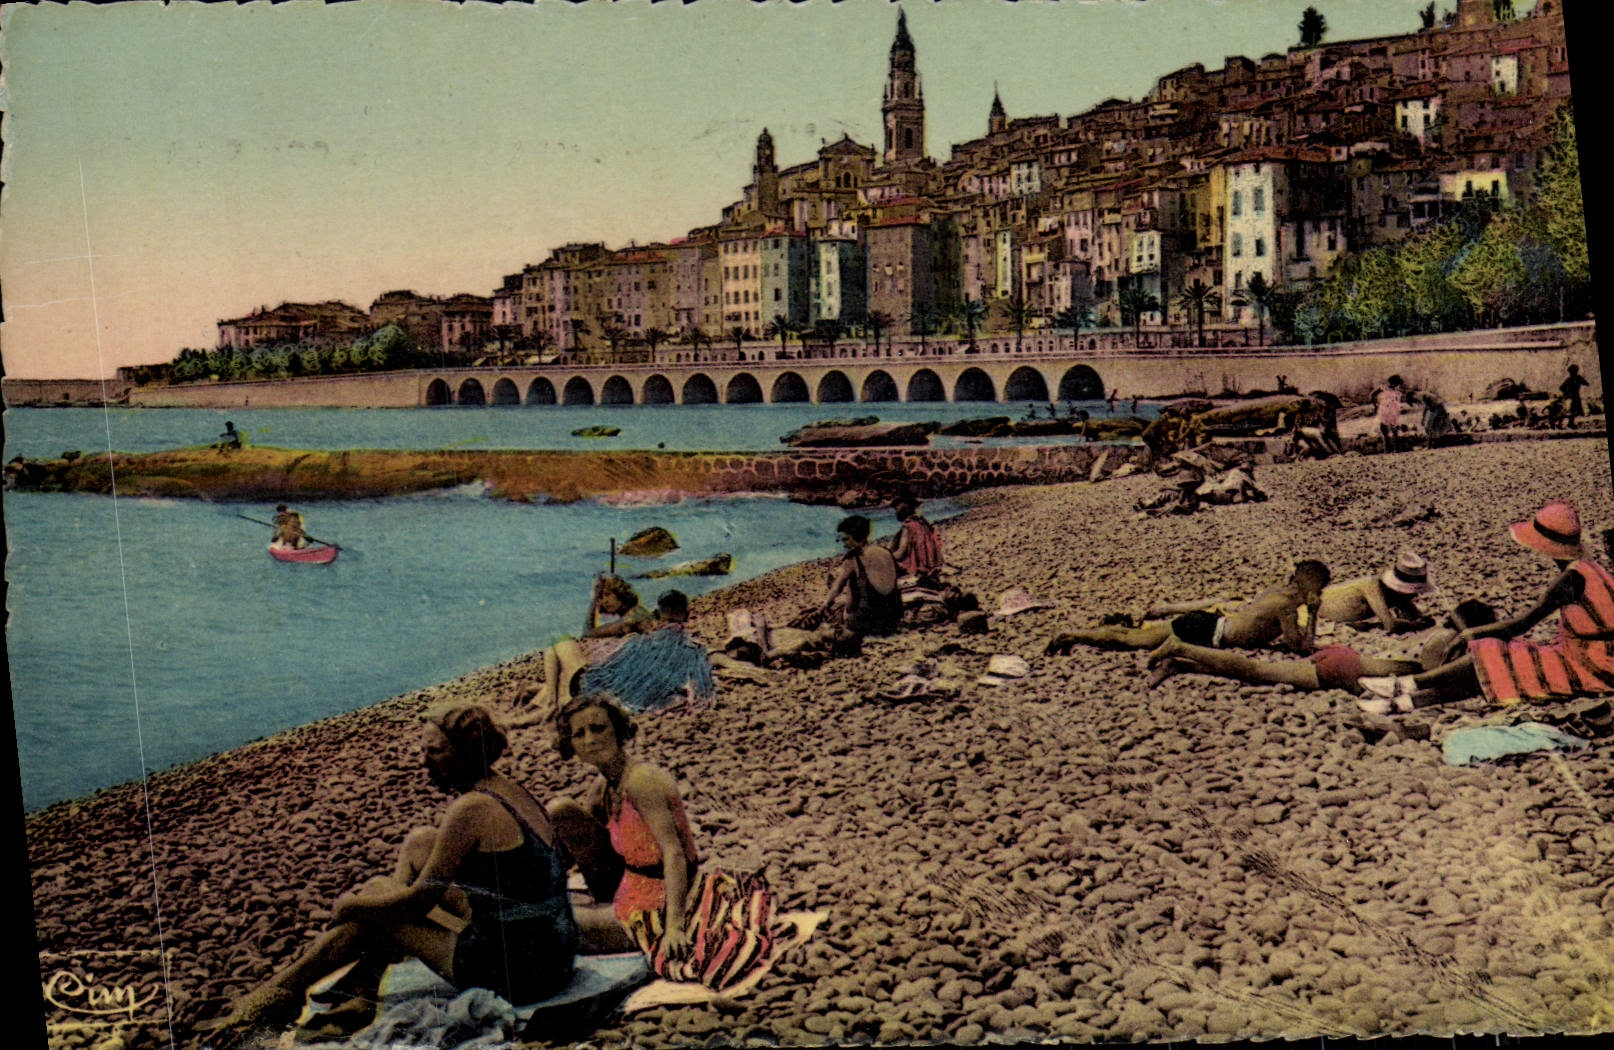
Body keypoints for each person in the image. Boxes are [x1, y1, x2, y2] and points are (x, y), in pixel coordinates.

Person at [204, 705, 580, 1045]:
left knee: (376, 906)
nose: (424, 761)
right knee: (420, 842)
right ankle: (364, 979)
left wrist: (352, 905)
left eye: (435, 752)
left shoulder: (471, 808)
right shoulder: (506, 788)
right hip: (553, 945)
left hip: (522, 970)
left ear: (464, 754)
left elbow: (418, 902)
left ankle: (280, 993)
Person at [1359, 501, 1614, 713]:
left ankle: (1407, 685)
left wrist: (1473, 633)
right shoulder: (1592, 569)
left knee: (1491, 651)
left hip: (1592, 666)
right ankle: (1403, 703)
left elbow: (1521, 624)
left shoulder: (1569, 579)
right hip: (1598, 658)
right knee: (1493, 670)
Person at [548, 693, 700, 960]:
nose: (590, 740)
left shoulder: (641, 781)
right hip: (631, 882)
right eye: (579, 734)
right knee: (560, 811)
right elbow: (576, 847)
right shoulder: (603, 788)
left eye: (598, 728)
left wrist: (675, 927)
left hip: (667, 898)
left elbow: (674, 853)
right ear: (571, 746)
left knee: (554, 924)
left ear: (618, 730)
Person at [1148, 600, 1497, 692]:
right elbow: (1429, 677)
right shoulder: (1449, 649)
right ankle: (1184, 650)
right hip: (1342, 671)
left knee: (1256, 673)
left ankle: (1181, 665)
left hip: (1348, 660)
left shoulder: (1438, 636)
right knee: (1255, 672)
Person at [1047, 560, 1330, 657]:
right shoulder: (1287, 608)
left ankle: (1081, 635)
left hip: (1208, 623)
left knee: (1135, 636)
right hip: (1206, 631)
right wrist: (1314, 614)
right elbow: (1299, 648)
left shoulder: (1276, 593)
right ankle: (1072, 635)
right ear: (1314, 590)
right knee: (1132, 640)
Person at [574, 590, 716, 715]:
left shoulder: (639, 641)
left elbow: (590, 636)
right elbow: (701, 688)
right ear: (686, 615)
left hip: (626, 693)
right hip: (653, 698)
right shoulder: (692, 650)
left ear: (659, 613)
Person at [531, 575, 656, 715]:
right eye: (601, 597)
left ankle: (550, 702)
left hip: (604, 686)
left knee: (559, 640)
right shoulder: (639, 612)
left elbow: (588, 632)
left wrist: (593, 600)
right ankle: (548, 699)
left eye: (607, 595)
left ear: (621, 594)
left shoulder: (630, 620)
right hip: (619, 681)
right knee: (557, 662)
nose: (604, 601)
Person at [813, 515, 903, 638]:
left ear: (855, 537)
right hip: (892, 619)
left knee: (848, 584)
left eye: (846, 539)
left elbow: (837, 588)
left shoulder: (853, 558)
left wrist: (824, 606)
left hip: (867, 621)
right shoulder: (885, 552)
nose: (844, 545)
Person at [1318, 552, 1439, 634]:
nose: (1416, 595)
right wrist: (1416, 625)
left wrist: (1419, 620)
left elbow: (1413, 613)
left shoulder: (1395, 594)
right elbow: (1390, 625)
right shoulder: (1373, 587)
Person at [888, 500, 944, 584]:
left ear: (903, 510)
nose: (895, 513)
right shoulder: (923, 523)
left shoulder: (907, 527)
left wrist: (886, 556)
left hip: (914, 569)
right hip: (930, 566)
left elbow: (901, 553)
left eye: (896, 510)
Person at [1374, 374, 1407, 453]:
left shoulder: (1396, 391)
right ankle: (1389, 449)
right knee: (1386, 430)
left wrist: (1375, 405)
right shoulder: (1384, 388)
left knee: (1392, 430)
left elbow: (1372, 395)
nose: (1397, 386)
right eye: (1397, 384)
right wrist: (1375, 405)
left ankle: (1394, 449)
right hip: (1386, 410)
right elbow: (1372, 394)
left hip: (1391, 410)